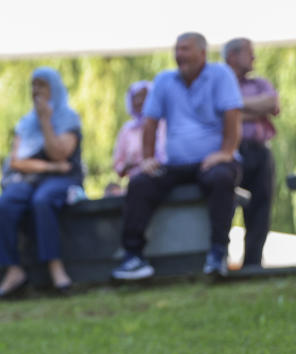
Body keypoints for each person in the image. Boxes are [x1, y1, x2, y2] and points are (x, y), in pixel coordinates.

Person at [112, 33, 243, 280]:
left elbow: (232, 117)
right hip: (176, 164)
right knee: (140, 183)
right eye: (177, 49)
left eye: (185, 49)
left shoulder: (221, 76)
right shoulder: (164, 81)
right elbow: (150, 122)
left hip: (214, 161)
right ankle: (132, 257)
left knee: (221, 179)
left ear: (202, 53)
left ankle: (217, 253)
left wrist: (224, 153)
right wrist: (148, 157)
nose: (179, 54)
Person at [0, 67, 82, 297]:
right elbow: (17, 162)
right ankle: (13, 270)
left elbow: (60, 153)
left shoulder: (68, 118)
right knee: (4, 205)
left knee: (43, 200)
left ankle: (55, 268)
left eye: (42, 85)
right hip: (32, 177)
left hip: (63, 178)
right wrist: (50, 167)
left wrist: (46, 121)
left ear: (55, 88)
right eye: (33, 85)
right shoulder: (25, 123)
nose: (36, 90)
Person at [224, 37, 281, 268]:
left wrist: (234, 110)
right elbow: (216, 113)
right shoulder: (218, 83)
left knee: (260, 208)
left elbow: (272, 103)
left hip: (259, 153)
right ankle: (220, 261)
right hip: (229, 153)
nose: (254, 57)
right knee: (224, 206)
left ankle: (253, 264)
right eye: (250, 52)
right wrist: (252, 109)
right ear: (233, 56)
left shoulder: (260, 83)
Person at [111, 80, 167, 182]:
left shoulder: (164, 124)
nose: (139, 101)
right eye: (135, 97)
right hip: (138, 180)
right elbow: (118, 166)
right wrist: (128, 165)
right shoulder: (127, 130)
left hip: (164, 175)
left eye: (143, 96)